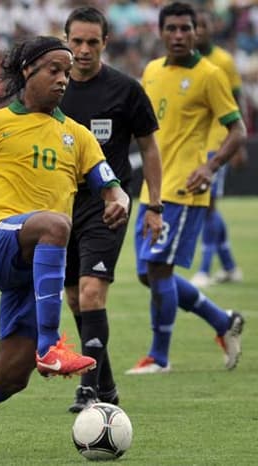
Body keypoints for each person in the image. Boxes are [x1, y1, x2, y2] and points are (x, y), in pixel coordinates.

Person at [0, 36, 130, 454]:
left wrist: (118, 202)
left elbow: (112, 187)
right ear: (28, 70)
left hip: (31, 262)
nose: (63, 79)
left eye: (67, 72)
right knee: (55, 224)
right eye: (54, 69)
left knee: (9, 378)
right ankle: (50, 346)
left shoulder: (77, 135)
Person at [127, 2, 246, 375]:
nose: (178, 35)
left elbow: (237, 130)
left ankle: (158, 357)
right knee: (148, 273)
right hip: (153, 191)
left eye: (185, 29)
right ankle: (222, 321)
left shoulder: (210, 74)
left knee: (159, 270)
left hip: (185, 190)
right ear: (161, 32)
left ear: (197, 32)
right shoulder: (151, 70)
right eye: (172, 29)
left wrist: (211, 165)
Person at [59, 7, 163, 412]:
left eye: (92, 42)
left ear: (106, 42)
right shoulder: (52, 87)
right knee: (72, 298)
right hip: (61, 206)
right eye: (77, 41)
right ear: (66, 40)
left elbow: (149, 148)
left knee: (91, 293)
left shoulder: (125, 89)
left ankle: (87, 389)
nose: (83, 50)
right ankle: (108, 386)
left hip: (108, 204)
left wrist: (154, 205)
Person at [191, 8, 245, 288]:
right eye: (194, 26)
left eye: (203, 25)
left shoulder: (223, 61)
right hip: (194, 145)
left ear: (212, 28)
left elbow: (237, 100)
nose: (198, 31)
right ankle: (230, 266)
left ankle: (203, 269)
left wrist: (239, 146)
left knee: (207, 207)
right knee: (209, 207)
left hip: (217, 143)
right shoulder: (185, 63)